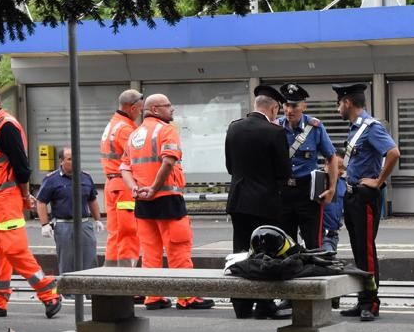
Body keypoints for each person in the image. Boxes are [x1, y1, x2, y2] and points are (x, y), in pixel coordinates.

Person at [0, 84, 61, 318]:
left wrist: (23, 195)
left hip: (5, 199)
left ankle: (48, 291)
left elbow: (22, 168)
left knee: (13, 249)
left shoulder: (6, 126)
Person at [120, 94, 214, 311]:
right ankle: (187, 297)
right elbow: (168, 161)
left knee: (150, 252)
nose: (172, 109)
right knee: (178, 248)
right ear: (154, 109)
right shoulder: (166, 130)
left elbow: (124, 168)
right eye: (168, 106)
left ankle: (153, 296)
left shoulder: (134, 135)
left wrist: (135, 187)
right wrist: (154, 187)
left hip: (143, 202)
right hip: (167, 199)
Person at [332, 83, 400, 322]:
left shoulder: (371, 127)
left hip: (364, 196)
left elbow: (393, 152)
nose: (338, 107)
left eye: (339, 103)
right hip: (352, 196)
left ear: (348, 102)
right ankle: (363, 299)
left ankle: (371, 302)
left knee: (366, 250)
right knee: (359, 250)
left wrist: (378, 181)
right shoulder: (354, 129)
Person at [224, 85, 292, 320]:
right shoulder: (274, 132)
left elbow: (230, 166)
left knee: (240, 252)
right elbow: (284, 172)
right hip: (265, 202)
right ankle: (264, 304)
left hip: (239, 200)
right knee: (266, 254)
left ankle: (241, 305)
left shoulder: (233, 128)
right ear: (273, 108)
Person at [276, 83, 338, 249]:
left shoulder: (315, 127)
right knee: (284, 244)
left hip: (308, 192)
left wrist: (332, 188)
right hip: (283, 192)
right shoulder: (275, 128)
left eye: (294, 106)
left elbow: (331, 158)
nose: (289, 110)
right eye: (286, 105)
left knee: (313, 242)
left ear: (304, 106)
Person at [35, 147, 103, 285]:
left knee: (90, 258)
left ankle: (91, 291)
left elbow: (92, 199)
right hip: (64, 224)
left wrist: (97, 220)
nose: (74, 161)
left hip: (84, 224)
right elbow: (41, 201)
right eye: (69, 159)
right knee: (67, 261)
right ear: (61, 161)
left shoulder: (85, 177)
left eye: (75, 158)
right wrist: (45, 224)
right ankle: (69, 294)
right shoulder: (52, 179)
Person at [100, 89, 143, 267]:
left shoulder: (113, 124)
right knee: (129, 232)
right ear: (132, 108)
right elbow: (136, 160)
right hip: (124, 186)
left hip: (112, 184)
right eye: (140, 109)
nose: (140, 113)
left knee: (116, 233)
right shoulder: (126, 129)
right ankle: (128, 282)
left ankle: (108, 279)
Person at [322, 148, 347, 253]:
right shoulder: (318, 181)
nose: (341, 172)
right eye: (338, 167)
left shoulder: (343, 183)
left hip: (334, 234)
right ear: (328, 164)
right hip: (322, 235)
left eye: (344, 168)